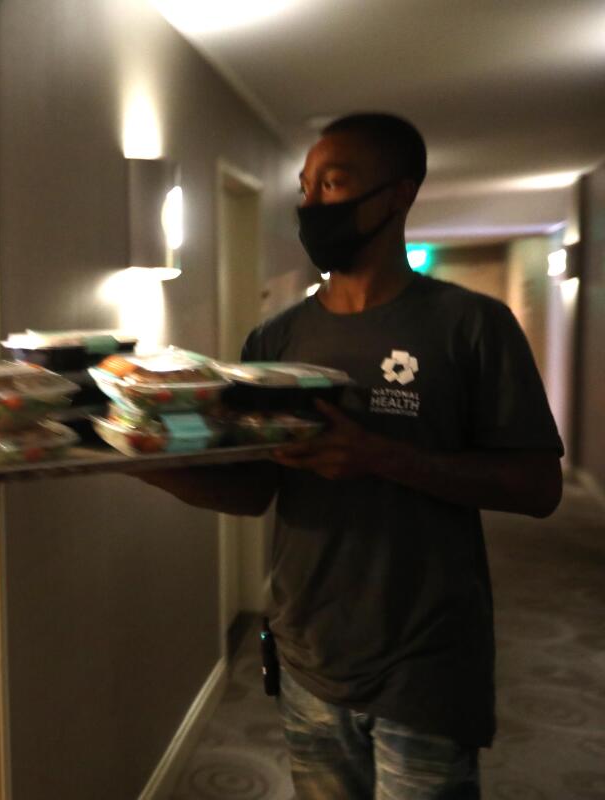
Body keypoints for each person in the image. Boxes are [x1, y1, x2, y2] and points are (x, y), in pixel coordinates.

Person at [142, 112, 564, 799]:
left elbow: (538, 486)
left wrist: (378, 455)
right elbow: (252, 492)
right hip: (309, 651)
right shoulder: (274, 340)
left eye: (332, 184)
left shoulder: (470, 325)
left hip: (428, 659)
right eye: (305, 186)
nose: (310, 204)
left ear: (398, 195)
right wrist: (138, 458)